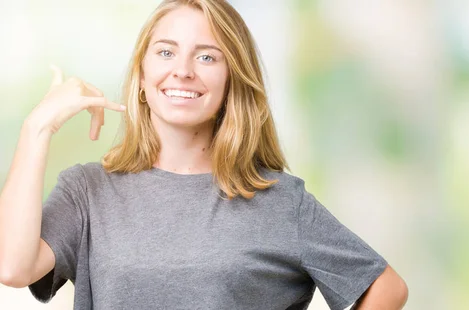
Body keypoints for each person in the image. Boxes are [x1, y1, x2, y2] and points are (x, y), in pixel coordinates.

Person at [0, 0, 408, 309]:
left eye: (207, 56)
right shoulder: (87, 191)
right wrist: (37, 128)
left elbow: (386, 286)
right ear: (142, 77)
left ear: (232, 79)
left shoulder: (281, 202)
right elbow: (12, 268)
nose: (183, 70)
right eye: (165, 52)